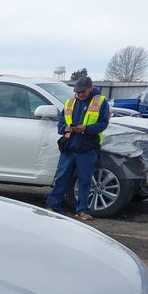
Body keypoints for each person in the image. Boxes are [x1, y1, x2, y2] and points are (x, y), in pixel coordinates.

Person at [46, 76, 110, 220]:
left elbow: (103, 124)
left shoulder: (100, 102)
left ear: (90, 88)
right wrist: (66, 128)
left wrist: (85, 129)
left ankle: (82, 210)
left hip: (88, 148)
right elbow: (60, 125)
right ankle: (53, 206)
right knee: (61, 178)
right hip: (69, 147)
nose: (79, 94)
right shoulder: (70, 103)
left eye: (82, 91)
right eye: (77, 92)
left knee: (84, 180)